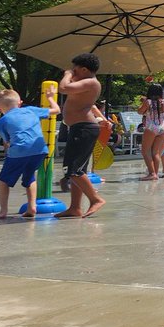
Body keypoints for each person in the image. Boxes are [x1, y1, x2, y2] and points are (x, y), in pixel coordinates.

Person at [0, 86, 59, 218]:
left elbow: (8, 142)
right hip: (40, 150)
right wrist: (50, 97)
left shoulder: (1, 122)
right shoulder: (31, 110)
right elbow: (56, 110)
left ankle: (3, 211)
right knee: (29, 177)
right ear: (20, 103)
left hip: (19, 151)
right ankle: (32, 207)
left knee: (3, 180)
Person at [56, 53, 110, 218]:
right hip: (79, 128)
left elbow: (63, 88)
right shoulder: (84, 83)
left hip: (84, 128)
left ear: (85, 69)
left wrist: (66, 75)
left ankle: (95, 199)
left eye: (75, 69)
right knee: (78, 170)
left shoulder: (91, 82)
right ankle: (75, 208)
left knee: (73, 169)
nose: (73, 71)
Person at [137, 83, 164, 180]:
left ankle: (152, 173)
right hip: (162, 127)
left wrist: (142, 104)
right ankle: (156, 173)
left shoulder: (148, 102)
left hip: (151, 127)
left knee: (145, 151)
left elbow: (140, 112)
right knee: (156, 152)